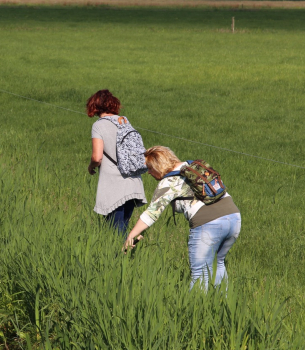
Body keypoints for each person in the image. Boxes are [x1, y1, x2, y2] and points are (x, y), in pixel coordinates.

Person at [124, 146, 241, 290]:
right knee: (219, 263)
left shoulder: (168, 182)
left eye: (149, 168)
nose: (149, 172)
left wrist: (130, 237)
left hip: (209, 224)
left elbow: (151, 214)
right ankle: (221, 301)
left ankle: (196, 304)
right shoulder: (193, 166)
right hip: (234, 217)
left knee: (199, 274)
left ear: (157, 166)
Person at [87, 89, 146, 234]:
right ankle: (129, 247)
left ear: (94, 106)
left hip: (114, 186)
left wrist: (91, 167)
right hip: (133, 183)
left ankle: (122, 249)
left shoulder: (99, 125)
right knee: (123, 228)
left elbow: (97, 157)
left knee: (115, 232)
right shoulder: (124, 122)